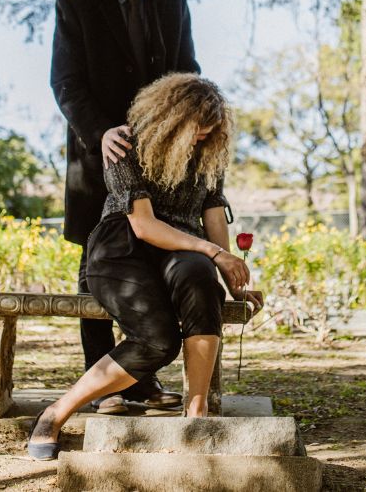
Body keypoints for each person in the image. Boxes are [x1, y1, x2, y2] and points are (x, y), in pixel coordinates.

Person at [28, 74, 264, 461]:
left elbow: (213, 216)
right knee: (159, 341)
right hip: (123, 246)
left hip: (181, 249)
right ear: (171, 117)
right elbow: (145, 225)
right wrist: (213, 251)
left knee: (201, 278)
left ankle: (196, 414)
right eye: (196, 130)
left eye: (209, 133)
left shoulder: (208, 155)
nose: (202, 138)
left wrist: (230, 277)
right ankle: (55, 414)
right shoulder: (125, 143)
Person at [50, 0, 201, 414]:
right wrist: (100, 132)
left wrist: (182, 130)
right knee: (92, 267)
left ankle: (140, 380)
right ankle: (105, 390)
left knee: (154, 257)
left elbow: (187, 71)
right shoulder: (73, 4)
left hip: (158, 157)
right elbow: (66, 83)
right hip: (98, 155)